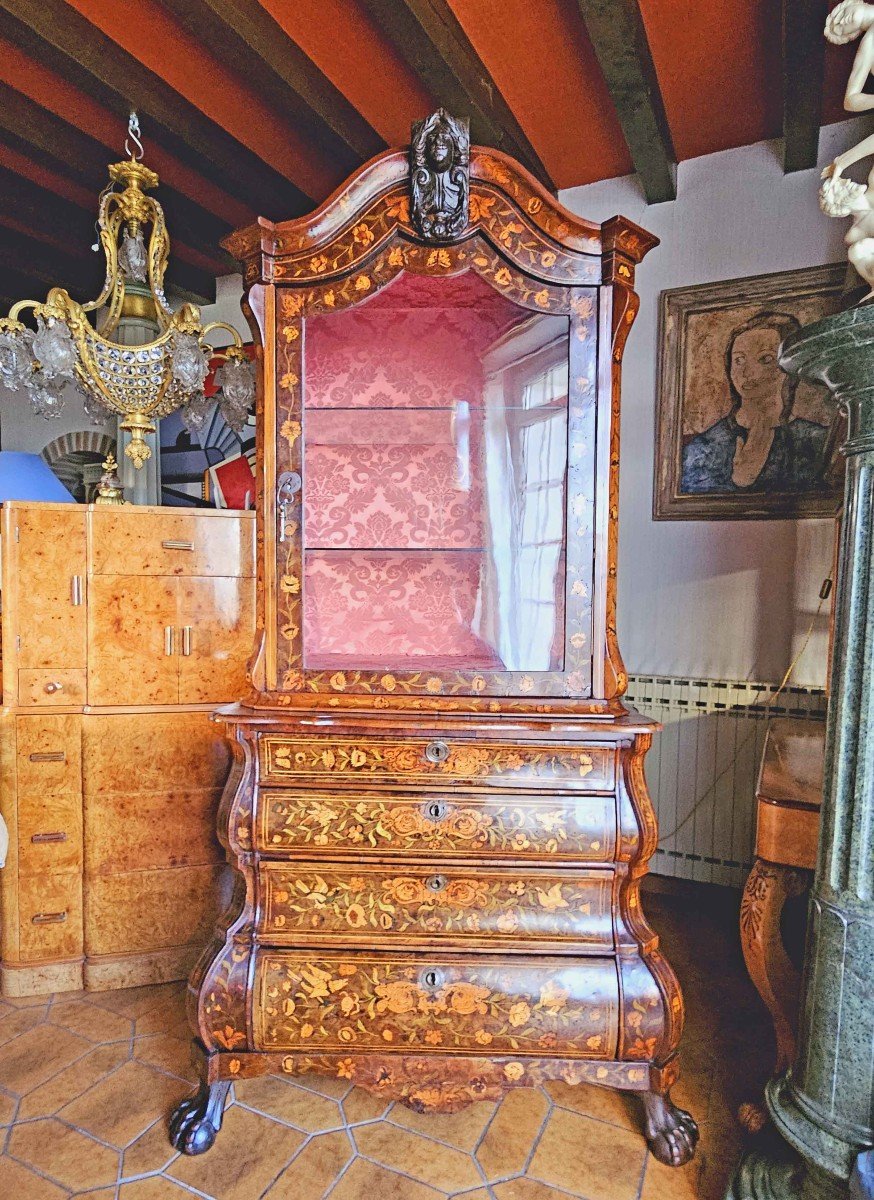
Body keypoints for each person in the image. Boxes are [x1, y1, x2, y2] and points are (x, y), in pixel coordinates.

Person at [680, 311, 829, 494]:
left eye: (765, 359)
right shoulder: (702, 449)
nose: (747, 372)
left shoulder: (817, 442)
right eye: (739, 360)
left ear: (789, 368)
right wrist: (738, 480)